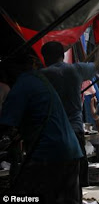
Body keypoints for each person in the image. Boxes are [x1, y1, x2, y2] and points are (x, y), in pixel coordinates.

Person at [0, 52, 82, 203]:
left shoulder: (23, 84)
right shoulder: (40, 80)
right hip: (71, 152)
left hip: (49, 154)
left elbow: (5, 123)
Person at [40, 39, 99, 195]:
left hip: (50, 133)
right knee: (75, 176)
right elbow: (97, 65)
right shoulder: (76, 69)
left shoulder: (41, 75)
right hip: (74, 130)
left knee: (52, 177)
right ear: (62, 55)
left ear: (45, 58)